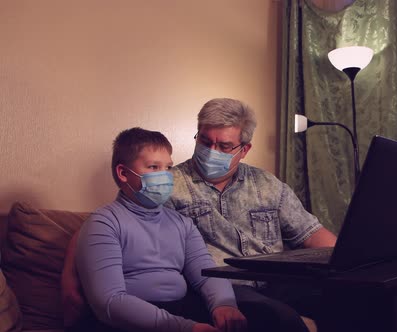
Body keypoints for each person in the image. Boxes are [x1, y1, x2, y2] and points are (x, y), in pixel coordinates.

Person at [166, 98, 337, 331]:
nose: (211, 151)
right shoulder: (170, 187)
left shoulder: (266, 184)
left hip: (278, 281)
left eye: (224, 146)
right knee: (280, 319)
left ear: (244, 149)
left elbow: (310, 233)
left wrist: (352, 262)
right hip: (223, 286)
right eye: (205, 141)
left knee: (355, 300)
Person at [67, 127, 247, 332]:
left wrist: (224, 304)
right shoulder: (104, 223)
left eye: (168, 167)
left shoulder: (183, 224)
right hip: (126, 321)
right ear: (123, 173)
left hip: (179, 310)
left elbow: (205, 272)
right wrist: (185, 328)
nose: (165, 176)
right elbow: (109, 302)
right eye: (153, 167)